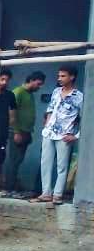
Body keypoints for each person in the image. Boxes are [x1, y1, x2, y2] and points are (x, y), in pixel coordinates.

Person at [37, 64, 83, 204]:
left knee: (61, 166)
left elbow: (85, 117)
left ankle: (57, 195)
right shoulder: (56, 91)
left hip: (64, 136)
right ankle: (46, 193)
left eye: (63, 76)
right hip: (49, 133)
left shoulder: (78, 96)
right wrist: (47, 126)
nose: (60, 78)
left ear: (72, 77)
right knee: (45, 163)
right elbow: (50, 109)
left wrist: (76, 136)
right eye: (59, 76)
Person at [4, 71, 45, 196]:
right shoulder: (18, 92)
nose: (39, 87)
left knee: (18, 160)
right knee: (14, 160)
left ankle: (12, 186)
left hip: (26, 132)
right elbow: (11, 112)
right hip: (17, 132)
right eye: (38, 84)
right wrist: (16, 131)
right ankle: (9, 188)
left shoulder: (30, 94)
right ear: (31, 80)